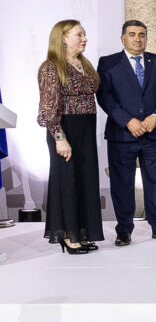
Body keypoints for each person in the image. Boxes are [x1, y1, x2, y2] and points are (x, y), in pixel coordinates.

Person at [96, 20, 156, 246]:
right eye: (132, 34)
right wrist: (127, 121)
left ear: (147, 38)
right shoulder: (108, 63)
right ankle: (124, 230)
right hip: (122, 135)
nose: (137, 39)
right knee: (122, 184)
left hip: (154, 133)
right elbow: (104, 96)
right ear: (123, 38)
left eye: (142, 34)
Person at [37, 20, 103, 254]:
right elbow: (47, 109)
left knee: (85, 179)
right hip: (65, 129)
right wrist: (59, 137)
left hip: (86, 128)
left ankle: (82, 233)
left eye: (84, 34)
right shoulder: (51, 67)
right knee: (67, 181)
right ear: (63, 38)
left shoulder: (84, 63)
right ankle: (68, 235)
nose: (84, 38)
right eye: (79, 34)